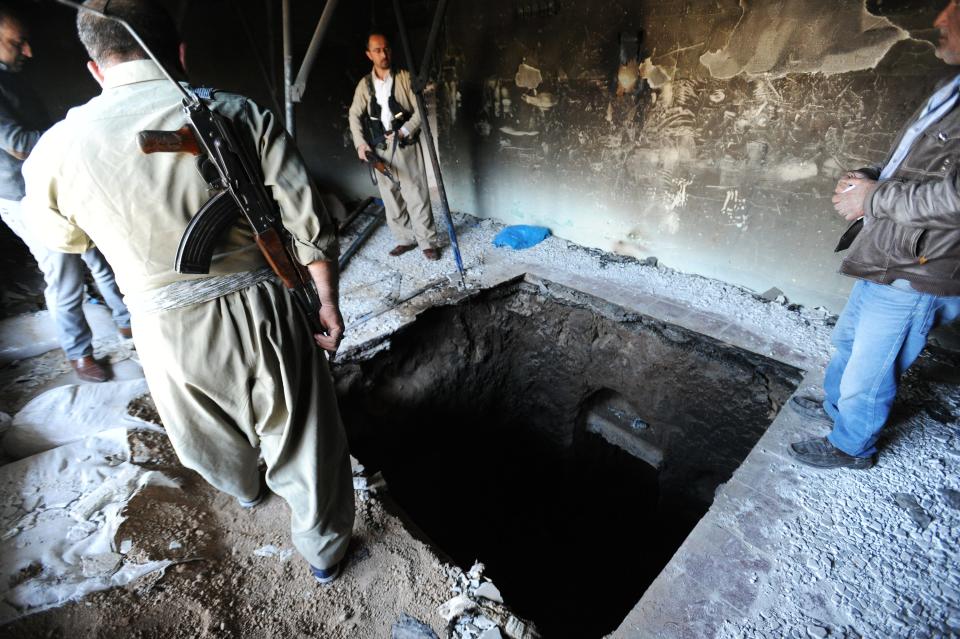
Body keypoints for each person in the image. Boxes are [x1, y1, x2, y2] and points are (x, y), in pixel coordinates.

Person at [22, 0, 354, 582]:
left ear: (94, 67)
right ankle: (325, 551)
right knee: (304, 436)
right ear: (178, 52)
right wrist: (324, 299)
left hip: (161, 330)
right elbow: (308, 223)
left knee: (203, 437)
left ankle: (248, 491)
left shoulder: (55, 148)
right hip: (263, 307)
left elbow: (65, 240)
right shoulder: (237, 112)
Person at [789, 1, 960, 470]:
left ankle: (852, 445)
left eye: (954, 9)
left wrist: (873, 198)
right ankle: (837, 410)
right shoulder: (952, 93)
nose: (940, 21)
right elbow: (918, 170)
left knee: (871, 366)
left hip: (920, 264)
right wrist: (872, 177)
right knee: (848, 344)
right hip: (890, 251)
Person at [0, 2, 130, 383]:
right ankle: (79, 354)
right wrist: (80, 129)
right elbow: (19, 142)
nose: (28, 51)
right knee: (65, 273)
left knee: (98, 256)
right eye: (17, 42)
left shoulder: (10, 78)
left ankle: (127, 325)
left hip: (52, 186)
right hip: (23, 197)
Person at [348, 31, 440, 261]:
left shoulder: (405, 78)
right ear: (369, 54)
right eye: (377, 50)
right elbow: (354, 114)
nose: (383, 54)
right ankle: (405, 239)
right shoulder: (364, 85)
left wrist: (405, 130)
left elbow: (421, 110)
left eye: (386, 48)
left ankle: (427, 242)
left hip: (405, 144)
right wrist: (361, 144)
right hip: (379, 148)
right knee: (390, 196)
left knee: (416, 192)